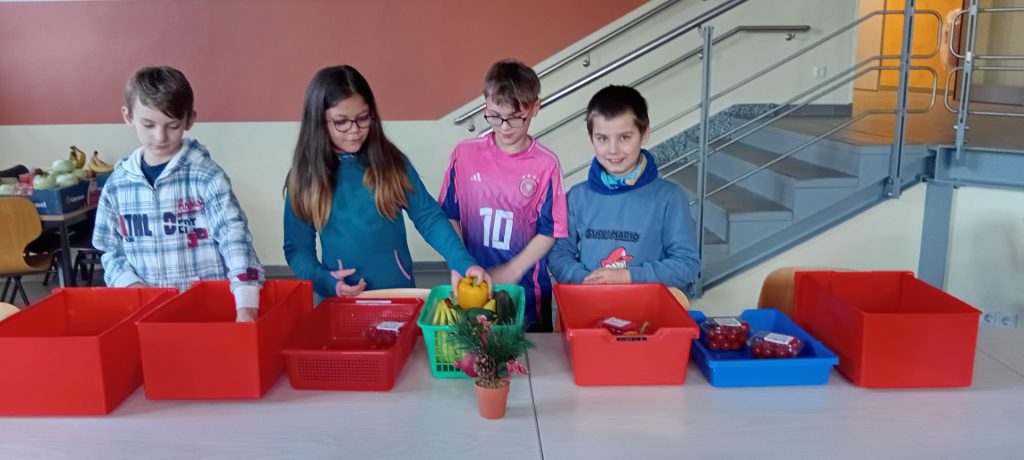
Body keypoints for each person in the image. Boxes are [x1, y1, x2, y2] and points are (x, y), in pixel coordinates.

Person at [283, 65, 489, 300]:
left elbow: (429, 217)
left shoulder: (392, 164)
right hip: (340, 302)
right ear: (319, 121)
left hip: (398, 294)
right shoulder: (304, 179)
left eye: (363, 118)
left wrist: (462, 261)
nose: (354, 130)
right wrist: (326, 281)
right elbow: (298, 249)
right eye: (341, 122)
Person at [94, 66, 264, 322]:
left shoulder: (206, 177)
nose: (160, 137)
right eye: (148, 125)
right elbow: (109, 249)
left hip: (208, 311)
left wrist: (246, 306)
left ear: (189, 120)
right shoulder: (116, 186)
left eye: (172, 126)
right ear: (128, 117)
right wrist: (131, 286)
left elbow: (234, 238)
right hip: (149, 314)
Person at [438, 59, 568, 332]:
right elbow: (449, 215)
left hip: (526, 292)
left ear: (535, 107)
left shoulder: (545, 164)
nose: (505, 127)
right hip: (472, 286)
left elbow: (550, 230)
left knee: (529, 356)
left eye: (516, 117)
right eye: (495, 116)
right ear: (485, 105)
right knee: (477, 351)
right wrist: (459, 264)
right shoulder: (464, 155)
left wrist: (512, 270)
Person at [547, 85, 700, 290]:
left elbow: (687, 264)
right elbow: (558, 254)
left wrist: (629, 276)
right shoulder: (576, 197)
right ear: (591, 138)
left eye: (624, 137)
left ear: (644, 133)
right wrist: (587, 281)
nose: (613, 150)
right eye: (602, 138)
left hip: (647, 307)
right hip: (590, 302)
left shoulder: (670, 197)